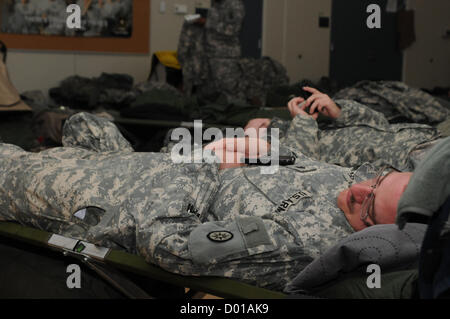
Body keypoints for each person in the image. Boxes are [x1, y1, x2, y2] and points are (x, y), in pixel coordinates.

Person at [0, 112, 416, 292]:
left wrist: (208, 164)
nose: (360, 189)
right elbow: (302, 164)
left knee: (9, 170)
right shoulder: (357, 184)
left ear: (377, 234)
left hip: (118, 199)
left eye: (367, 206)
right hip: (152, 166)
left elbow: (171, 247)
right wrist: (259, 146)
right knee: (83, 125)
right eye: (377, 180)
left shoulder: (301, 243)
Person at [244, 87, 442, 170]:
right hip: (412, 162)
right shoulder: (289, 148)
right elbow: (302, 167)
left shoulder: (315, 128)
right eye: (256, 129)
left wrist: (338, 111)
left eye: (262, 122)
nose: (261, 123)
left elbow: (382, 124)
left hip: (429, 141)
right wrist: (303, 122)